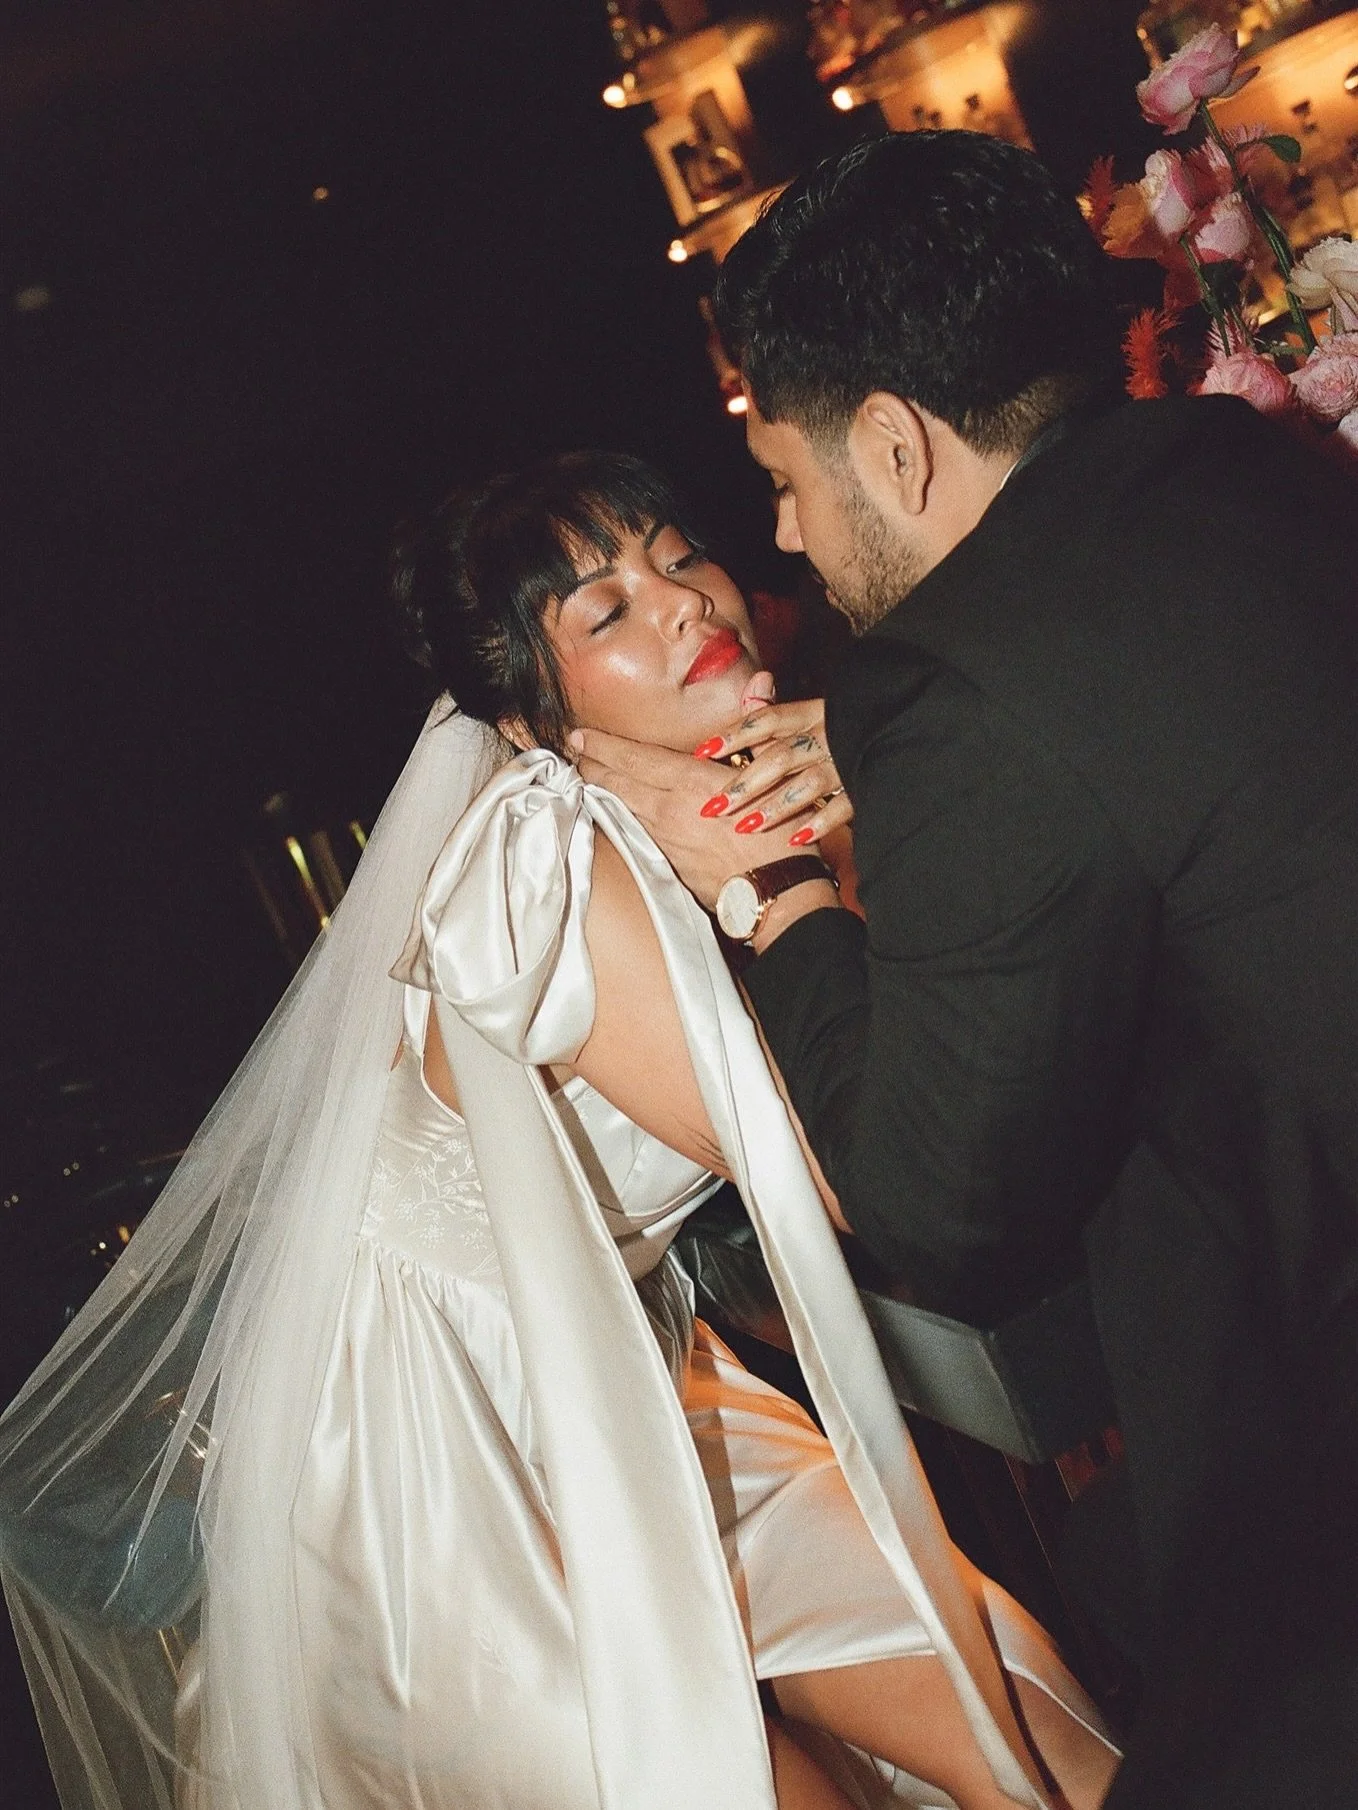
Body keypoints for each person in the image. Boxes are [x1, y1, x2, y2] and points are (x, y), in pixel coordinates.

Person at [0, 452, 1119, 1810]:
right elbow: (871, 1174)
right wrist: (788, 881)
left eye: (676, 555)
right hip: (434, 1452)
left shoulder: (770, 788)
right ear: (537, 724)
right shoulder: (551, 866)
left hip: (624, 1379)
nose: (679, 601)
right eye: (603, 610)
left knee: (1015, 1712)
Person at [571, 133, 1358, 1809]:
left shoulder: (956, 684)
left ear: (895, 444)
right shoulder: (1254, 474)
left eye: (778, 479)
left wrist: (774, 894)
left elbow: (944, 1208)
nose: (772, 537)